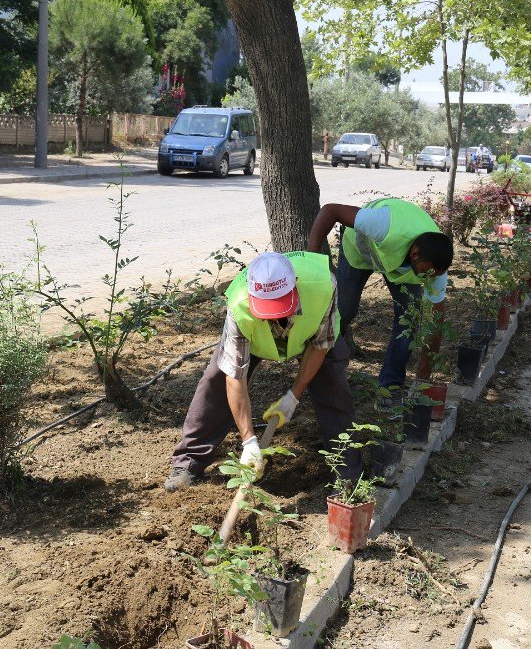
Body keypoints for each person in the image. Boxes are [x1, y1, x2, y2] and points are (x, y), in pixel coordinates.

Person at [164, 251, 359, 491]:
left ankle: (347, 471)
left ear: (294, 286)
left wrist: (293, 396)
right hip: (255, 339)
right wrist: (249, 441)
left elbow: (320, 347)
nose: (276, 317)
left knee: (333, 386)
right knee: (215, 384)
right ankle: (189, 461)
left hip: (313, 335)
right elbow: (235, 377)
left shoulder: (323, 286)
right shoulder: (239, 305)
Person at [306, 198, 454, 398]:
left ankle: (389, 389)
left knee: (409, 321)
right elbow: (331, 210)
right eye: (425, 273)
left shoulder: (435, 268)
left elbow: (434, 324)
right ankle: (316, 372)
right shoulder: (383, 225)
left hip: (396, 265)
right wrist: (312, 260)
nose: (428, 280)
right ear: (415, 253)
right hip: (358, 253)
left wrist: (423, 379)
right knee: (344, 311)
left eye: (432, 276)